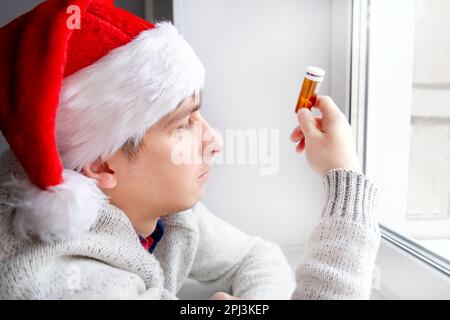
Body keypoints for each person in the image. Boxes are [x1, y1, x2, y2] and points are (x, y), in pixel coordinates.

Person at [0, 0, 380, 299]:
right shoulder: (67, 284)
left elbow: (256, 257)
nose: (215, 142)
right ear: (101, 162)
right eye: (183, 124)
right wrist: (346, 179)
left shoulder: (160, 210)